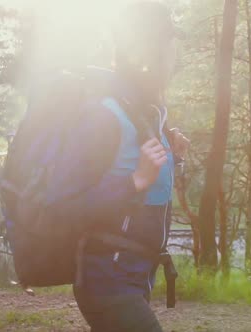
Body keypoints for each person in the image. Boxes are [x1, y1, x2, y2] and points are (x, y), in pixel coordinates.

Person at [57, 2, 189, 331]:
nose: (176, 54)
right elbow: (68, 203)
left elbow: (152, 189)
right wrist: (135, 180)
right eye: (170, 43)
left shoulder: (147, 111)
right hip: (107, 282)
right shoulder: (107, 114)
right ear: (151, 51)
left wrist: (176, 158)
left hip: (134, 277)